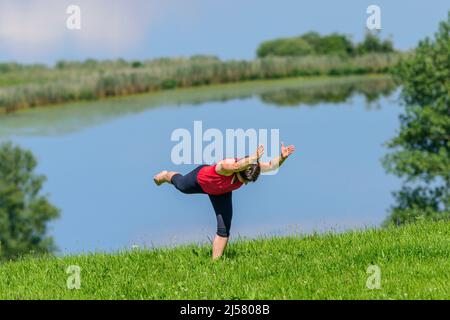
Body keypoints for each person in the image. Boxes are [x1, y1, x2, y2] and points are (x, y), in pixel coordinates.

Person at [153, 143, 295, 259]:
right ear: (238, 172)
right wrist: (252, 157)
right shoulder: (227, 166)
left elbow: (270, 166)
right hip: (201, 181)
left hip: (221, 192)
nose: (244, 184)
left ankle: (215, 264)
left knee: (224, 227)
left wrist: (282, 157)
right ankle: (166, 175)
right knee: (181, 185)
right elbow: (234, 166)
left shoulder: (253, 167)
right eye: (243, 180)